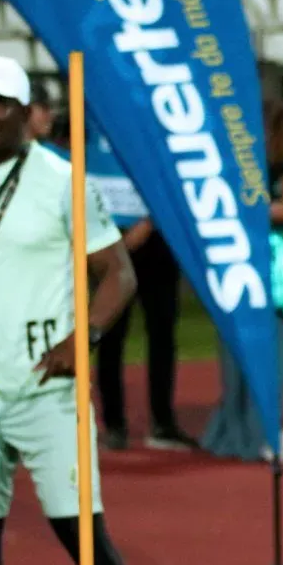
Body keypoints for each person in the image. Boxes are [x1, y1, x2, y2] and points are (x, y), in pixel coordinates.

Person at [0, 54, 137, 565]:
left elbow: (117, 274)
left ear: (25, 113)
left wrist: (85, 337)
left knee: (80, 533)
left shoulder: (63, 182)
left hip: (46, 390)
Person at [202, 96, 283, 463]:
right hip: (263, 274)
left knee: (279, 356)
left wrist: (247, 211)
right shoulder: (262, 172)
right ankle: (266, 426)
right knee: (270, 353)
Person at [88, 128, 192, 451]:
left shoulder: (150, 125)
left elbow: (171, 178)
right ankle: (115, 425)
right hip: (109, 236)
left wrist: (146, 226)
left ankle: (162, 422)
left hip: (155, 240)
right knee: (110, 334)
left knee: (162, 334)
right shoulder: (91, 120)